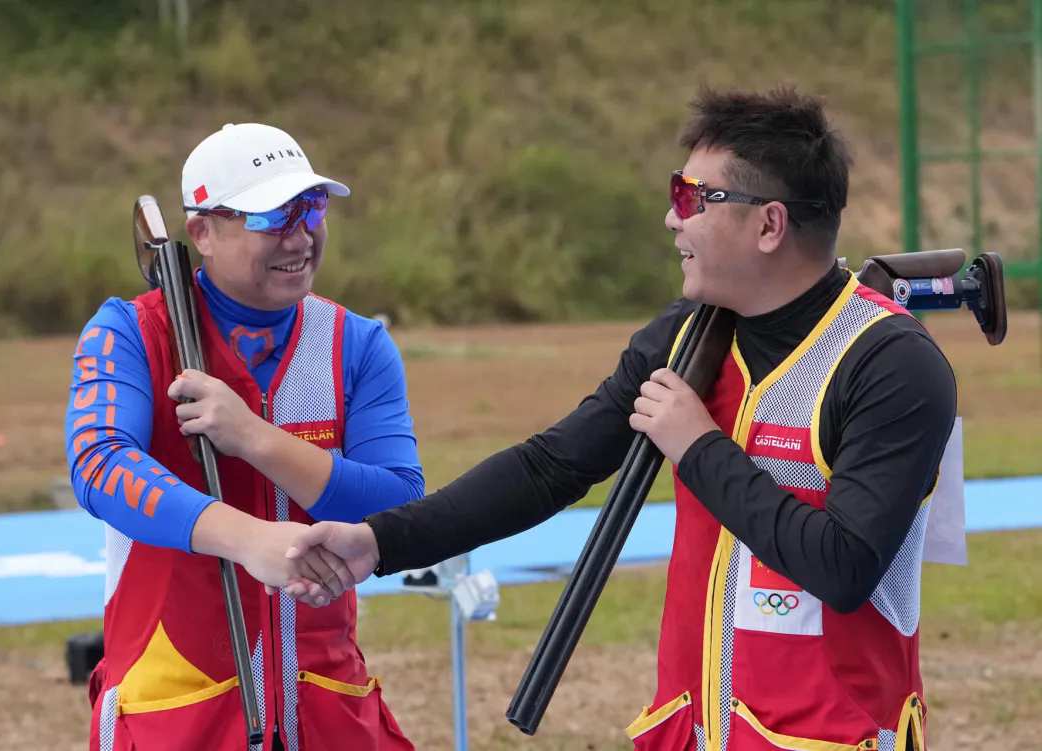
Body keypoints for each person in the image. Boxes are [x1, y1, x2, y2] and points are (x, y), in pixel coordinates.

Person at [281, 86, 959, 750]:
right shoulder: (690, 337)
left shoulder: (891, 363)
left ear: (769, 225)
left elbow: (844, 566)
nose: (671, 219)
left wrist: (698, 446)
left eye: (691, 198)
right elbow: (550, 467)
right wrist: (381, 542)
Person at [64, 122, 425, 751]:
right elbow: (100, 467)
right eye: (272, 215)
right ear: (202, 232)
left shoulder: (358, 342)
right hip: (176, 710)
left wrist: (254, 437)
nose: (300, 235)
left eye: (312, 207)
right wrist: (247, 539)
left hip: (326, 706)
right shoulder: (131, 331)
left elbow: (397, 500)